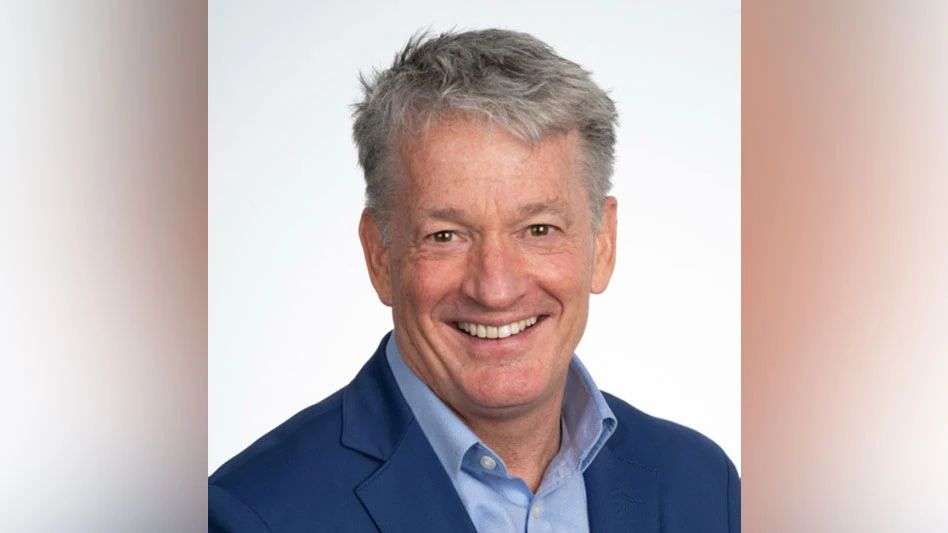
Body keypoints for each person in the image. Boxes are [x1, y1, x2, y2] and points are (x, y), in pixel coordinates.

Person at [209, 29, 739, 532]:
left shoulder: (702, 485)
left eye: (538, 229)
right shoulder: (250, 515)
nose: (496, 288)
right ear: (379, 255)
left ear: (602, 245)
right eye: (446, 236)